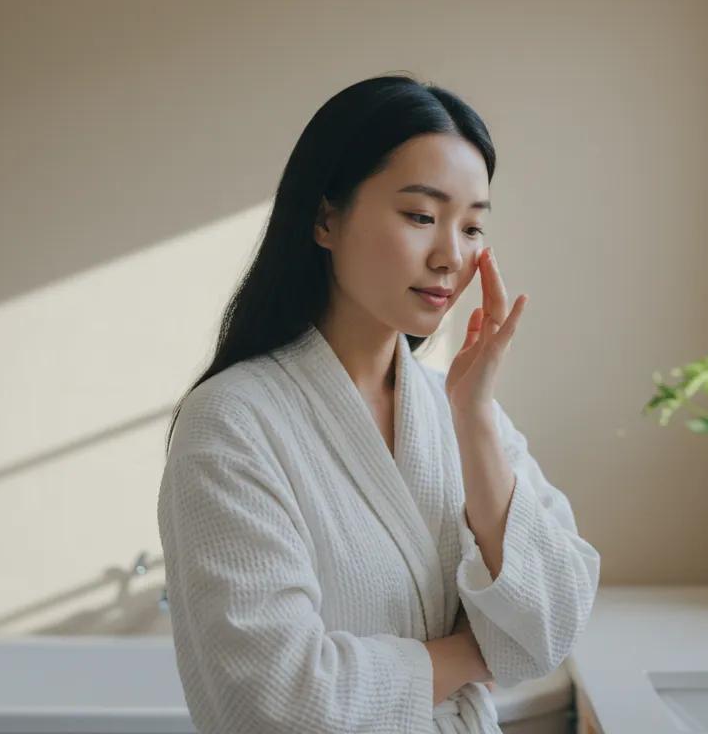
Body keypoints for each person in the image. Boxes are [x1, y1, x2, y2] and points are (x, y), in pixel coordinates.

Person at [157, 73, 600, 733]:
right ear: (326, 217)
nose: (451, 255)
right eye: (421, 216)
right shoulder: (232, 423)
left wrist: (475, 421)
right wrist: (479, 649)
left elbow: (554, 621)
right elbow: (278, 702)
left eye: (473, 226)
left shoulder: (453, 407)